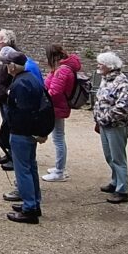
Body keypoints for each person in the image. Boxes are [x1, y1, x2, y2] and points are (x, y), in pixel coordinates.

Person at [4, 50, 54, 224]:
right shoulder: (30, 78)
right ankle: (33, 202)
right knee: (30, 168)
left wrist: (24, 130)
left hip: (21, 133)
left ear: (12, 66)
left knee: (23, 170)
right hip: (28, 132)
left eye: (7, 64)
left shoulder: (20, 84)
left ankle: (29, 207)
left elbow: (23, 112)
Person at [94, 51, 128, 204]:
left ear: (109, 66)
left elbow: (123, 106)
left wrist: (105, 118)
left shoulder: (121, 82)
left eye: (101, 63)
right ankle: (115, 181)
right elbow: (100, 101)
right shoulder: (106, 79)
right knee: (109, 155)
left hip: (116, 125)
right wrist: (98, 120)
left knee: (118, 157)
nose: (98, 66)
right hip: (105, 124)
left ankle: (122, 191)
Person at [42, 44, 80, 182]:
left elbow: (54, 91)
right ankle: (59, 168)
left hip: (57, 107)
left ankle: (59, 171)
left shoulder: (62, 70)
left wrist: (43, 96)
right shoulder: (63, 68)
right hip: (58, 106)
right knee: (58, 137)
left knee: (58, 138)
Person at [0, 30, 18, 169]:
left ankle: (13, 157)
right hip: (2, 97)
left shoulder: (11, 56)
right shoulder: (5, 55)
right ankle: (9, 154)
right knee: (6, 126)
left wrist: (6, 92)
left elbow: (13, 77)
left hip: (6, 98)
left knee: (10, 126)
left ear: (6, 41)